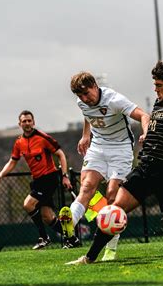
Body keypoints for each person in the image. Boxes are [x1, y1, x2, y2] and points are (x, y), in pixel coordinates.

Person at [66, 59, 163, 265]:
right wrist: (146, 134)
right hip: (146, 167)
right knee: (113, 209)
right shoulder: (159, 103)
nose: (155, 88)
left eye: (159, 85)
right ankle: (89, 258)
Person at [60, 71, 150, 260]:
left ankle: (111, 247)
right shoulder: (82, 102)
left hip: (121, 149)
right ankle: (70, 224)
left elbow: (144, 115)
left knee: (112, 196)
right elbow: (87, 114)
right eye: (80, 96)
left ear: (95, 86)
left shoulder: (114, 100)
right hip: (98, 146)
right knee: (86, 187)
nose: (84, 99)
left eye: (87, 94)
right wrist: (86, 135)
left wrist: (146, 133)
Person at [0, 110, 79, 250]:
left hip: (49, 178)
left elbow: (61, 154)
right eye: (24, 121)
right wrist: (1, 174)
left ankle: (44, 237)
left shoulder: (43, 137)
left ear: (33, 122)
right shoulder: (19, 142)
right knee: (47, 217)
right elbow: (12, 161)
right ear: (19, 124)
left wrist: (64, 176)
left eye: (29, 120)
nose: (27, 123)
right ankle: (72, 239)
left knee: (28, 204)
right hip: (38, 180)